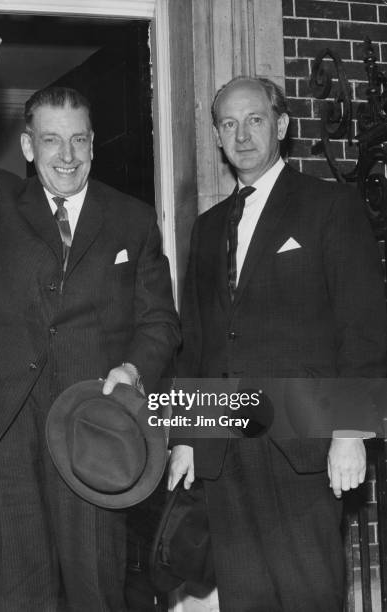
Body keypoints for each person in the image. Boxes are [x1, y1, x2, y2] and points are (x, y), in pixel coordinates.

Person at [0, 3, 180, 611]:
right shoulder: (0, 206)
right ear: (28, 147)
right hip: (5, 418)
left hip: (93, 418)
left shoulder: (132, 220)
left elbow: (159, 320)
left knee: (95, 578)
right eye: (52, 140)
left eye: (80, 139)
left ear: (94, 144)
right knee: (20, 579)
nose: (68, 155)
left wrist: (134, 368)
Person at [168, 76, 387, 612]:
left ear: (283, 126)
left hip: (304, 444)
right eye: (228, 124)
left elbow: (363, 327)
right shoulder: (206, 228)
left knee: (309, 594)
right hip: (225, 444)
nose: (241, 135)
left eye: (255, 119)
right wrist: (186, 437)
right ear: (217, 136)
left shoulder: (330, 206)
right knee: (244, 598)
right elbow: (196, 341)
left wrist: (351, 431)